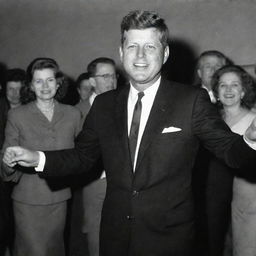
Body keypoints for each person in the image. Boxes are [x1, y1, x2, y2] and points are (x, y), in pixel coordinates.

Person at [3, 10, 256, 256]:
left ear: (165, 53)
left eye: (150, 47)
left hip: (170, 238)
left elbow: (229, 149)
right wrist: (38, 158)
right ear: (122, 52)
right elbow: (83, 157)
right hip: (115, 235)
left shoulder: (190, 100)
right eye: (133, 46)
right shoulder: (104, 105)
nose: (141, 55)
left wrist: (250, 140)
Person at [0, 58, 81, 256]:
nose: (45, 86)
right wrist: (8, 161)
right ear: (30, 86)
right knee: (33, 251)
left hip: (59, 197)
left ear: (58, 82)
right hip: (28, 199)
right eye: (38, 81)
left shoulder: (73, 114)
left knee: (55, 249)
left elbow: (82, 155)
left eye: (50, 80)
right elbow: (6, 158)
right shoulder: (18, 115)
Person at [211, 65, 256, 256]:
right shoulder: (208, 121)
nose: (229, 90)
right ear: (216, 91)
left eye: (235, 85)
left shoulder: (254, 121)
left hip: (247, 195)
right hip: (214, 195)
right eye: (223, 85)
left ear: (243, 90)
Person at [193, 51, 234, 256]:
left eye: (219, 65)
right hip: (188, 180)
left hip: (222, 180)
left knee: (218, 236)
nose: (215, 70)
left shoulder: (234, 99)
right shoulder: (185, 98)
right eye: (209, 66)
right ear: (200, 72)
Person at [78, 57, 117, 256]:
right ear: (92, 81)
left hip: (123, 181)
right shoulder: (78, 112)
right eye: (105, 76)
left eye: (114, 75)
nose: (111, 80)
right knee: (96, 235)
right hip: (95, 181)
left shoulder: (123, 105)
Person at [0, 68, 26, 256]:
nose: (15, 94)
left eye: (19, 89)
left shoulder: (30, 108)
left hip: (25, 173)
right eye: (11, 89)